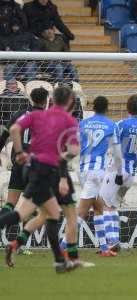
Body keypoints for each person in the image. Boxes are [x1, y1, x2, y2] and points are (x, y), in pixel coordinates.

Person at [0, 86, 80, 273]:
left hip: (31, 167)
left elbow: (14, 128)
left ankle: (58, 261)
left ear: (53, 99)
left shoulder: (37, 115)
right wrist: (62, 161)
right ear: (69, 101)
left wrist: (19, 153)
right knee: (55, 214)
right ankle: (69, 258)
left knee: (49, 213)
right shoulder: (69, 120)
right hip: (49, 170)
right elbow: (74, 151)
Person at [59, 96, 121, 257]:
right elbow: (117, 152)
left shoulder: (83, 123)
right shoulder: (111, 125)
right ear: (107, 108)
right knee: (81, 212)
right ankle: (62, 246)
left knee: (98, 207)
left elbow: (74, 145)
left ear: (93, 108)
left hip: (83, 170)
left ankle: (104, 248)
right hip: (97, 172)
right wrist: (119, 172)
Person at [98, 95, 137, 249]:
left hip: (118, 169)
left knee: (103, 203)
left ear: (127, 108)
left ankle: (111, 240)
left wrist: (116, 170)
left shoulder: (121, 124)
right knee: (114, 205)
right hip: (132, 173)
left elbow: (113, 147)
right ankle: (114, 240)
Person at [0, 87, 48, 221]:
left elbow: (3, 136)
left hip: (19, 162)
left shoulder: (18, 114)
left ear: (31, 99)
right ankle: (29, 237)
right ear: (46, 101)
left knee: (10, 203)